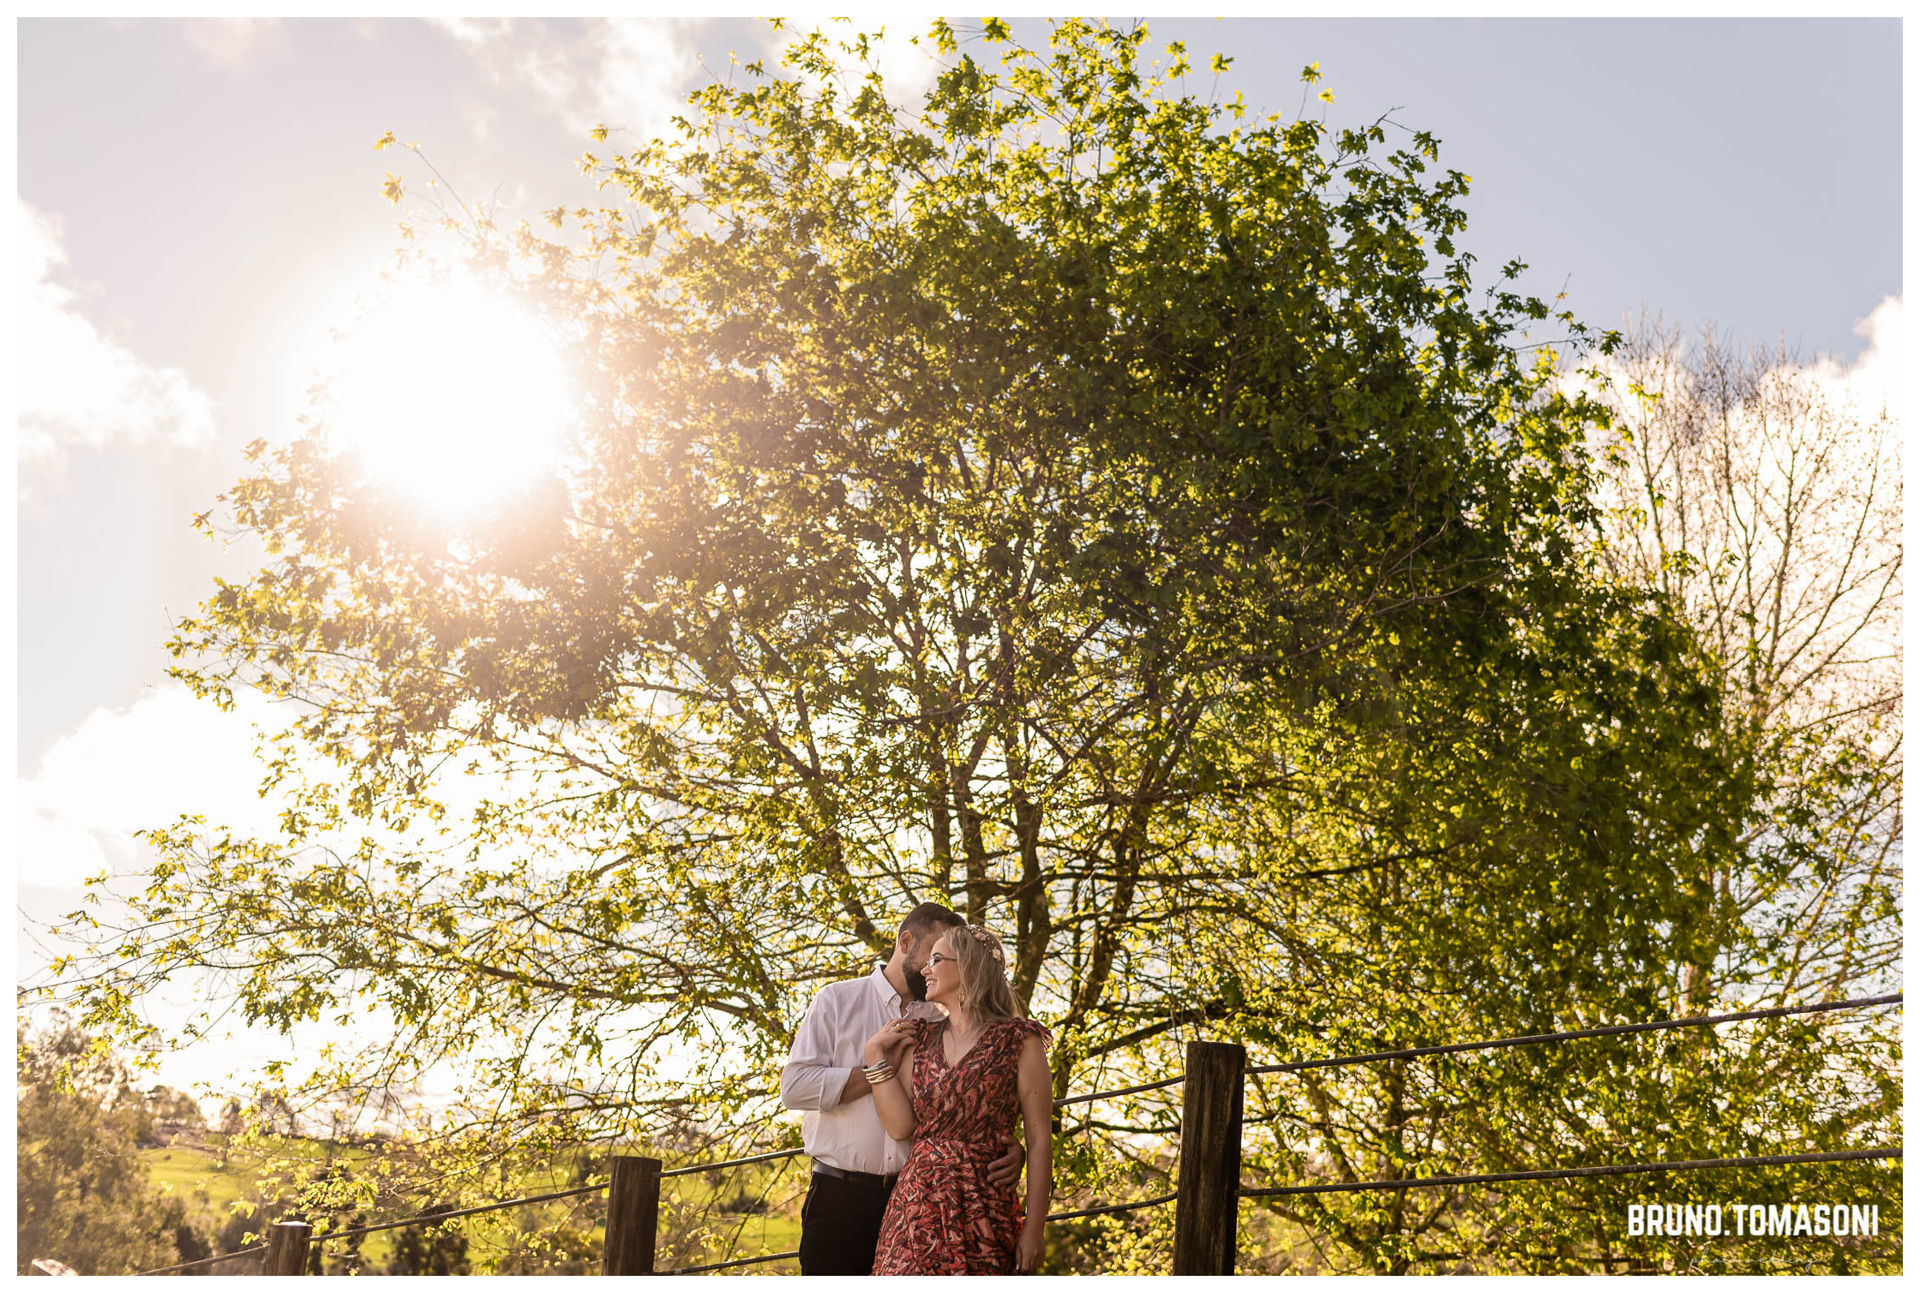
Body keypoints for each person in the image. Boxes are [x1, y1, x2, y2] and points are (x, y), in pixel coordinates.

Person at [780, 903, 1026, 1276]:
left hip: (919, 1204)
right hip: (840, 1199)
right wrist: (876, 1070)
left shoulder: (943, 1020)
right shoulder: (837, 1000)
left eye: (945, 958)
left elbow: (963, 1105)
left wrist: (1002, 1147)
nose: (932, 968)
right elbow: (795, 1088)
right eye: (934, 953)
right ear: (906, 941)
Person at [864, 923, 1052, 1275]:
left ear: (967, 965)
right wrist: (874, 1054)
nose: (925, 969)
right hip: (915, 1208)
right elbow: (901, 1126)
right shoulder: (920, 1038)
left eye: (935, 959)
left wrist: (1034, 1228)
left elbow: (1040, 1139)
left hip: (984, 1207)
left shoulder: (1019, 1040)